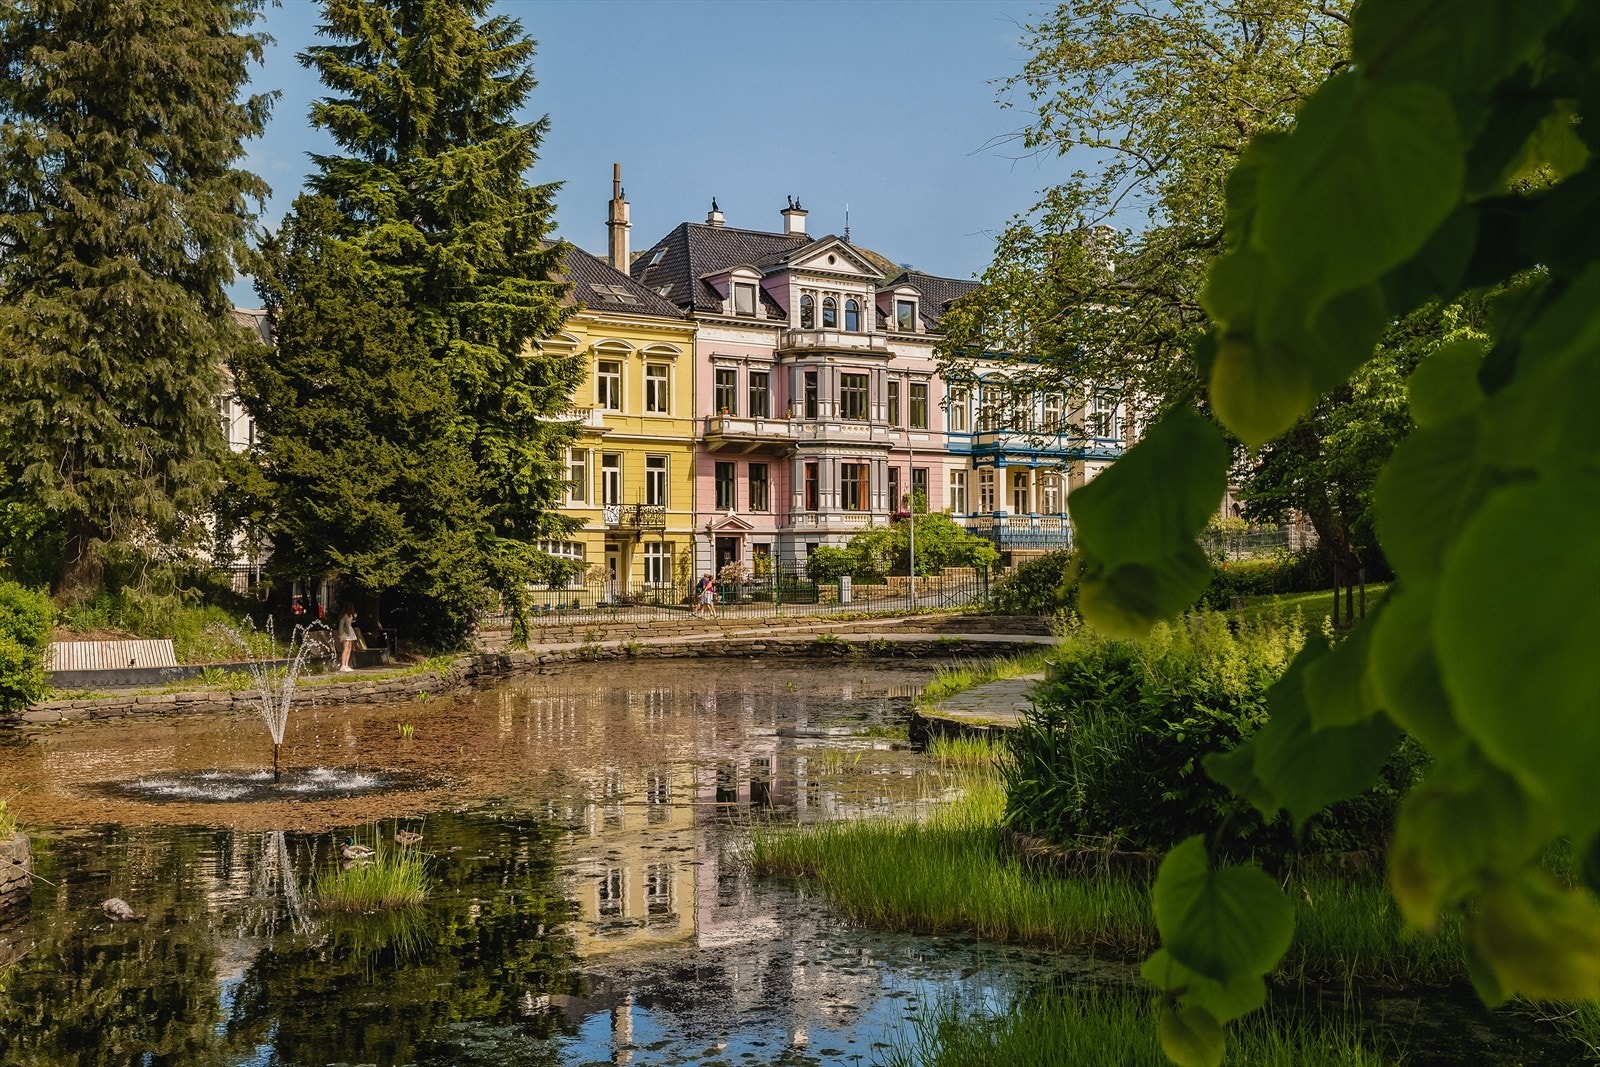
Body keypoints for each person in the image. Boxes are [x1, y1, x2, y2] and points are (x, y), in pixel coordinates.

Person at [337, 603, 358, 672]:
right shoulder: (345, 615)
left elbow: (350, 623)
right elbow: (341, 625)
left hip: (350, 633)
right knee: (345, 649)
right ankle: (343, 665)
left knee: (349, 649)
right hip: (345, 634)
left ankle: (346, 664)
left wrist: (354, 618)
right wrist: (341, 635)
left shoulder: (350, 615)